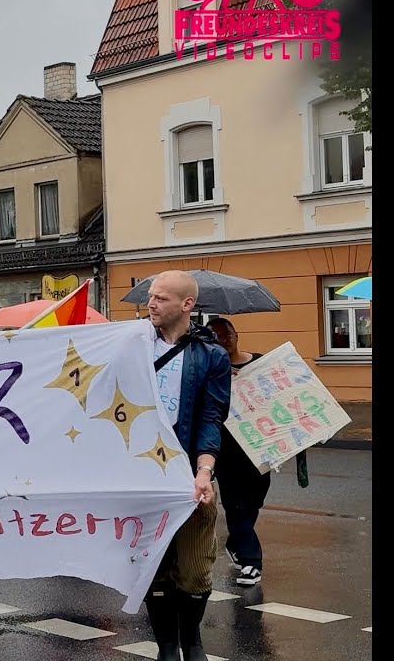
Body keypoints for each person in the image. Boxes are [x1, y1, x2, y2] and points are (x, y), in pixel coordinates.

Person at [143, 271, 230, 661]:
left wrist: (204, 472)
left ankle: (191, 637)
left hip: (189, 474)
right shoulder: (134, 347)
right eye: (150, 296)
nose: (151, 303)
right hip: (143, 473)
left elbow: (212, 417)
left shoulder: (211, 355)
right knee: (154, 567)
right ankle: (165, 646)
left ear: (187, 305)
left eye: (161, 298)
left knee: (194, 569)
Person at [206, 317, 268, 586]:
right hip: (225, 447)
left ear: (236, 334)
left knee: (254, 500)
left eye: (226, 333)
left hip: (259, 446)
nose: (223, 339)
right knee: (235, 503)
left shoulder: (260, 362)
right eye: (216, 336)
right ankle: (250, 561)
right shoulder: (210, 369)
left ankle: (235, 541)